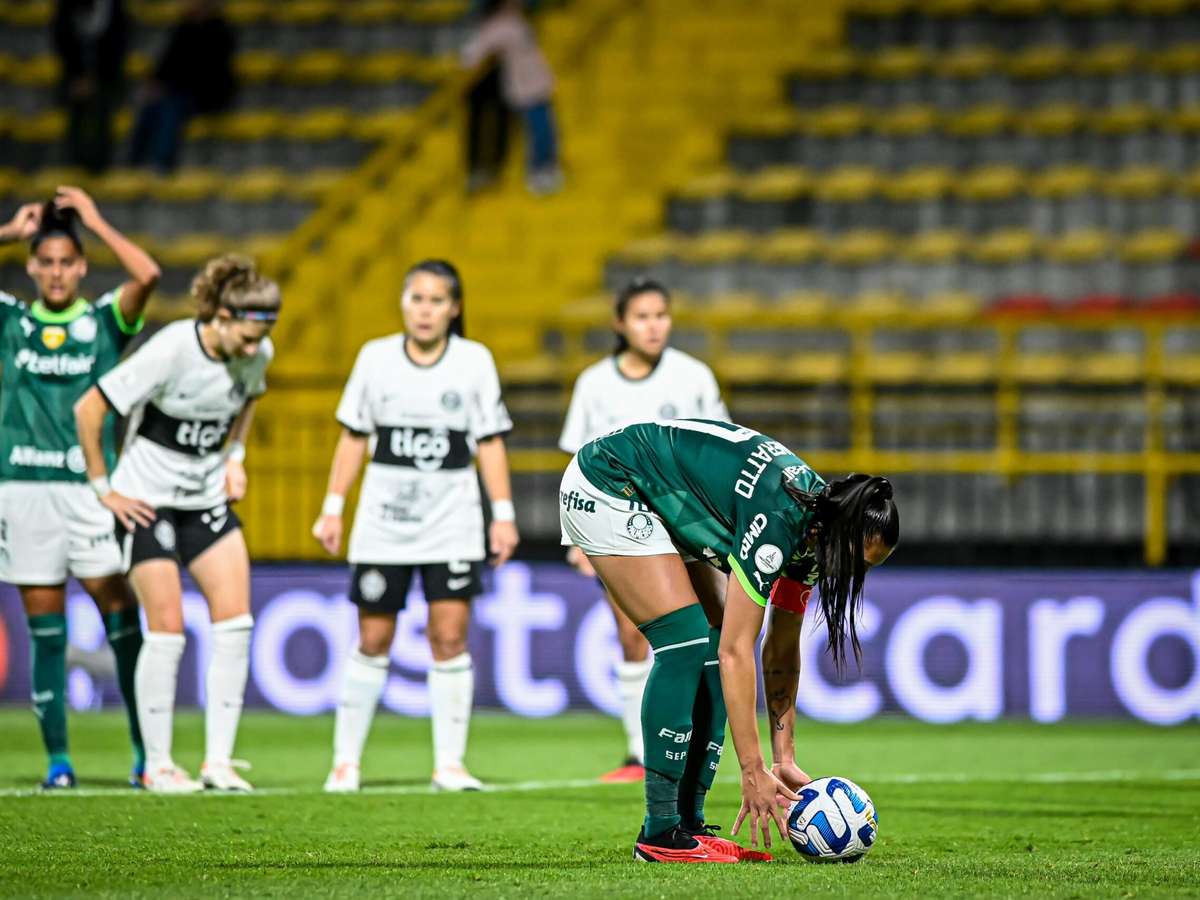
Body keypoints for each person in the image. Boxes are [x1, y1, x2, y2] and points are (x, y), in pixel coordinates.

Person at [559, 419, 898, 862]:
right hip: (611, 481)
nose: (855, 574)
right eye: (858, 561)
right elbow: (738, 651)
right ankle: (660, 834)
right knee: (685, 639)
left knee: (713, 633)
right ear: (843, 534)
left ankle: (688, 827)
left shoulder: (819, 527)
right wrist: (752, 769)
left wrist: (783, 756)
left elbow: (779, 649)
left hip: (664, 494)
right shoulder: (780, 522)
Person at [74, 254, 280, 794]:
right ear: (219, 316)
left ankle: (219, 763)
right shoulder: (171, 350)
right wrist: (105, 490)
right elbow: (89, 410)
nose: (256, 348)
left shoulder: (256, 353)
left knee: (235, 625)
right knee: (166, 630)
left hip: (204, 499)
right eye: (248, 334)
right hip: (146, 502)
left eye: (264, 336)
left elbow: (249, 400)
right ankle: (158, 765)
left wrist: (235, 456)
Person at [313, 260, 519, 794]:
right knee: (373, 637)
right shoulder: (375, 359)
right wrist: (333, 505)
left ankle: (449, 765)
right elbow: (354, 436)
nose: (425, 310)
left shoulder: (473, 362)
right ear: (403, 303)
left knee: (449, 637)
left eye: (436, 301)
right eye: (417, 299)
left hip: (451, 523)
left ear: (454, 309)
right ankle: (345, 763)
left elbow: (489, 441)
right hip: (384, 524)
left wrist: (503, 516)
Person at [0, 189, 157, 789]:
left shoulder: (103, 322)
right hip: (23, 489)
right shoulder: (13, 320)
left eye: (68, 261)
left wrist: (94, 219)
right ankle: (58, 763)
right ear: (33, 267)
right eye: (46, 262)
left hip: (92, 491)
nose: (58, 272)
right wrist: (11, 233)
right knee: (47, 634)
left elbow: (148, 273)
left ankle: (147, 755)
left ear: (83, 266)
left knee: (123, 621)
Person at [559, 278, 728, 784]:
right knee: (634, 637)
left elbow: (714, 449)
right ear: (620, 324)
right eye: (642, 316)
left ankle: (704, 742)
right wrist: (577, 539)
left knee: (709, 633)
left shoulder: (693, 376)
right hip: (621, 526)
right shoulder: (594, 383)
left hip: (686, 525)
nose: (654, 326)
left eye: (661, 315)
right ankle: (639, 754)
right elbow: (577, 461)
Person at [461, 0, 562, 194]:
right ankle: (539, 172)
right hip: (525, 88)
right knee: (539, 130)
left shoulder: (516, 21)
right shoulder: (498, 27)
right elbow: (471, 55)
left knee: (546, 129)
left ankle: (545, 168)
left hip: (537, 84)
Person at [129, 0, 237, 173]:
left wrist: (168, 87)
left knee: (171, 108)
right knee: (150, 107)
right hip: (178, 91)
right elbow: (167, 63)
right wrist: (154, 84)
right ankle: (134, 162)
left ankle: (161, 164)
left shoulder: (220, 31)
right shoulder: (183, 28)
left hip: (208, 93)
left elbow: (207, 71)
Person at [53, 0, 129, 173]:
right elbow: (62, 39)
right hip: (74, 77)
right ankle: (74, 164)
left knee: (103, 112)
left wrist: (96, 79)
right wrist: (77, 76)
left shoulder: (114, 8)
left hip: (106, 78)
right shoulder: (67, 7)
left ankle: (100, 166)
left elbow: (119, 44)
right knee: (75, 114)